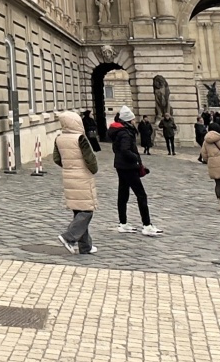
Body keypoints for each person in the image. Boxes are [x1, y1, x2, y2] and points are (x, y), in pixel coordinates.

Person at [51, 110, 98, 254]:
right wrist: (92, 169)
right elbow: (91, 160)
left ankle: (85, 246)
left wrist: (69, 167)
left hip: (68, 176)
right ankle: (69, 237)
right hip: (82, 176)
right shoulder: (80, 138)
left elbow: (56, 158)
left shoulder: (59, 138)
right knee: (87, 211)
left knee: (79, 210)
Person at [108, 106, 157, 236]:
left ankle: (123, 223)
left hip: (121, 166)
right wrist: (135, 158)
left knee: (123, 195)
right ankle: (147, 225)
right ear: (129, 120)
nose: (135, 120)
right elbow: (125, 150)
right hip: (128, 167)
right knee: (141, 195)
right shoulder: (125, 133)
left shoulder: (119, 131)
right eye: (133, 118)